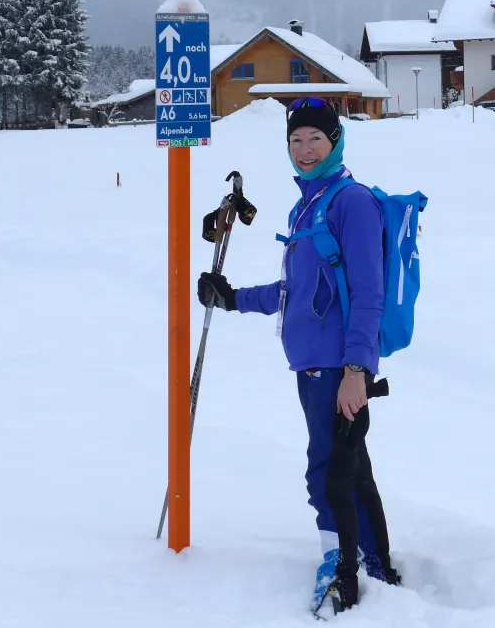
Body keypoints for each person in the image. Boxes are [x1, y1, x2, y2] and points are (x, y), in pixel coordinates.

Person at [197, 97, 401, 614]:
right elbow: (295, 290)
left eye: (316, 139)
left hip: (338, 368)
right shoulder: (308, 204)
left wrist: (357, 369)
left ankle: (342, 574)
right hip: (313, 366)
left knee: (328, 473)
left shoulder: (350, 201)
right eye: (296, 140)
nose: (305, 149)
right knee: (349, 470)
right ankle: (377, 564)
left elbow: (369, 292)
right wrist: (235, 298)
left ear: (336, 141)